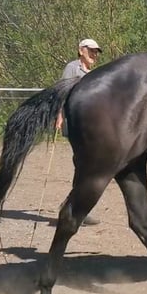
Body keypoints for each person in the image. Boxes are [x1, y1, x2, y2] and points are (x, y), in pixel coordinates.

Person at [56, 38, 103, 226]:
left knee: (86, 165)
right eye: (91, 50)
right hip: (75, 122)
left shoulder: (94, 73)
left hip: (90, 125)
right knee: (84, 164)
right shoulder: (73, 68)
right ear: (81, 50)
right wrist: (59, 115)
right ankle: (74, 208)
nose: (94, 54)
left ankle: (74, 207)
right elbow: (62, 91)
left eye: (96, 51)